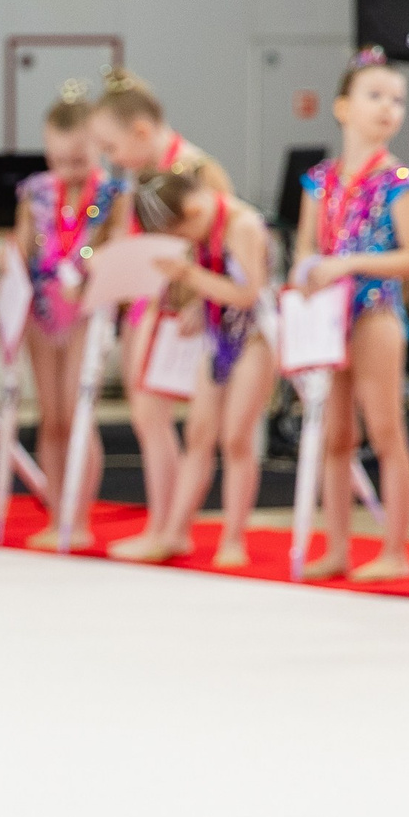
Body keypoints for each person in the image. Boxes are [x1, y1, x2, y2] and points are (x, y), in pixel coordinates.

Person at [288, 49, 409, 584]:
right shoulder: (319, 181)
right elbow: (305, 245)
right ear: (342, 108)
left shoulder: (398, 180)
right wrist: (305, 273)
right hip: (330, 316)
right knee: (334, 435)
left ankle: (396, 548)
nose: (388, 108)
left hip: (375, 314)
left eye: (397, 100)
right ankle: (338, 547)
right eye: (375, 96)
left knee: (386, 430)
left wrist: (349, 263)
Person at [89, 71, 235, 533]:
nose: (110, 160)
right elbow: (126, 238)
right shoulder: (138, 179)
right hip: (148, 308)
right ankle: (165, 522)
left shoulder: (197, 170)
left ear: (141, 132)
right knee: (148, 418)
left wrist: (197, 302)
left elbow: (226, 242)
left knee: (194, 427)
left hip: (192, 310)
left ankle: (173, 526)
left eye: (111, 149)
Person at [109, 169, 276, 567]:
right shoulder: (205, 226)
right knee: (198, 435)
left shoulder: (243, 224)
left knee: (236, 438)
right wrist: (198, 307)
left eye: (184, 233)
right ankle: (172, 533)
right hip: (217, 334)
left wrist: (190, 277)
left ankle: (234, 538)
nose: (187, 243)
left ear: (195, 209)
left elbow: (248, 293)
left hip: (256, 338)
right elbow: (218, 281)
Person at [5, 87, 121, 550]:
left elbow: (114, 243)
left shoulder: (113, 193)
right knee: (51, 416)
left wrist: (90, 259)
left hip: (86, 310)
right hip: (40, 308)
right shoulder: (35, 191)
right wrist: (9, 258)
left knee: (79, 414)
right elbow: (22, 241)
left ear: (95, 146)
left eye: (79, 159)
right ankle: (57, 512)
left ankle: (80, 515)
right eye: (60, 158)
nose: (69, 168)